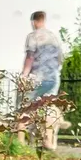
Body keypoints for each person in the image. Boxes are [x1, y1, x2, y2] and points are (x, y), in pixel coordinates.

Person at [19, 10, 64, 151]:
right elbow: (60, 58)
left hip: (38, 77)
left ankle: (20, 143)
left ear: (34, 22)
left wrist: (24, 75)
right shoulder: (53, 37)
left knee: (26, 107)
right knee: (48, 108)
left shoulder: (33, 36)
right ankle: (48, 141)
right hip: (53, 77)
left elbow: (30, 57)